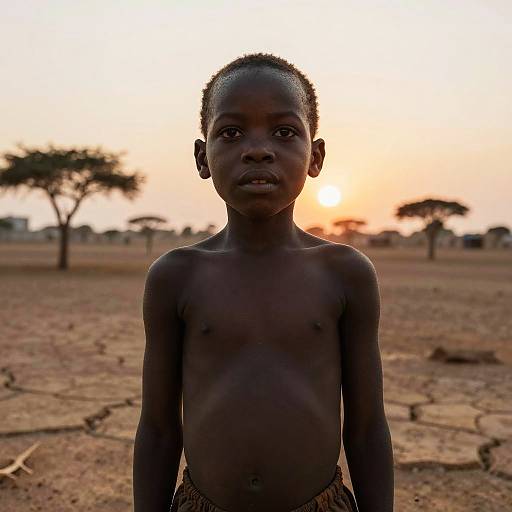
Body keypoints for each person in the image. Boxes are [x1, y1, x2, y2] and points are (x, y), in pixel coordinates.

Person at [133, 53, 394, 512]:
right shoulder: (177, 275)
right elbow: (157, 428)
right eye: (231, 132)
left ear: (315, 156)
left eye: (284, 131)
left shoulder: (344, 272)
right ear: (202, 157)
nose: (258, 149)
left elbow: (367, 425)